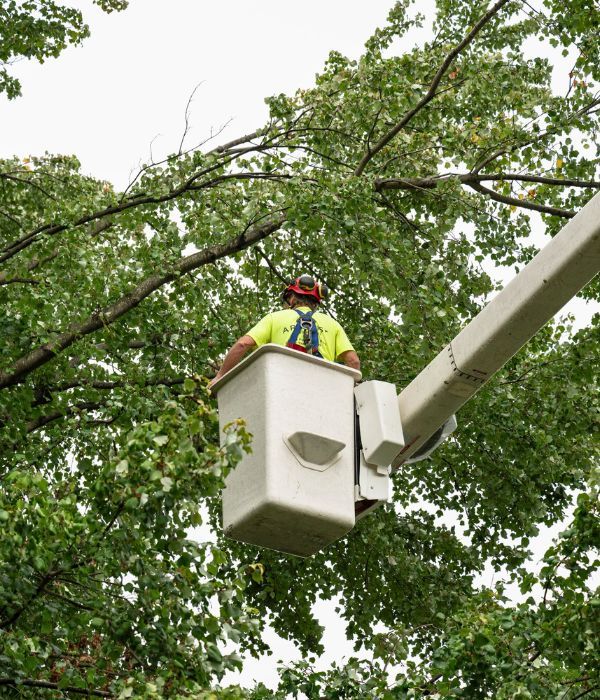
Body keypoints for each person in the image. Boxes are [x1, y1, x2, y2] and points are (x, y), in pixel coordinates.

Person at [209, 274, 360, 388]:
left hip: (283, 386)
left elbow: (243, 344)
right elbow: (353, 361)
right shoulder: (333, 324)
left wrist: (220, 376)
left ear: (293, 299)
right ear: (315, 303)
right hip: (323, 388)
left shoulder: (275, 318)